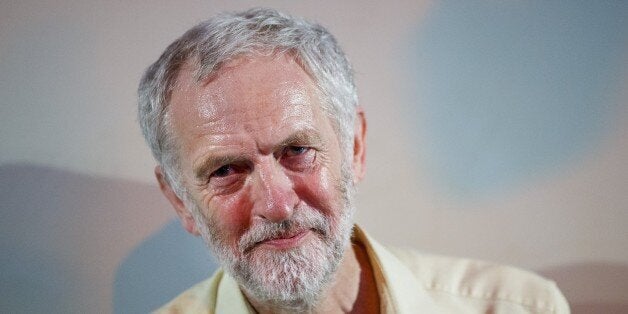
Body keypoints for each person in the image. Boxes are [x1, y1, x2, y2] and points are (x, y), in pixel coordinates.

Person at [137, 7, 569, 314]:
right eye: (226, 170)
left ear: (355, 148)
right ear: (179, 200)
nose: (277, 204)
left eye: (298, 151)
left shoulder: (519, 306)